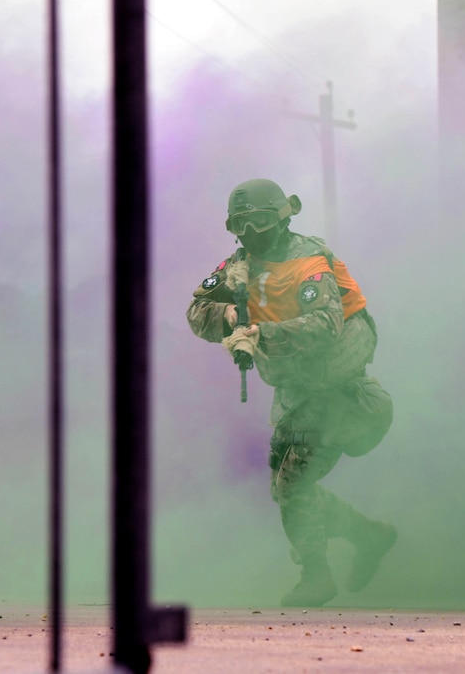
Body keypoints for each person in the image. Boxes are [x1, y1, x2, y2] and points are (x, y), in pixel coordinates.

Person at [186, 178, 396, 607]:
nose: (250, 233)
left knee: (294, 483)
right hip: (296, 389)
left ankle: (317, 576)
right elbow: (195, 311)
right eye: (239, 224)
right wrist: (228, 314)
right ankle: (367, 535)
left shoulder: (309, 263)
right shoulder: (237, 268)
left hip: (337, 388)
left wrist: (260, 334)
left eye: (260, 221)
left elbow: (325, 326)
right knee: (286, 488)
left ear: (283, 217)